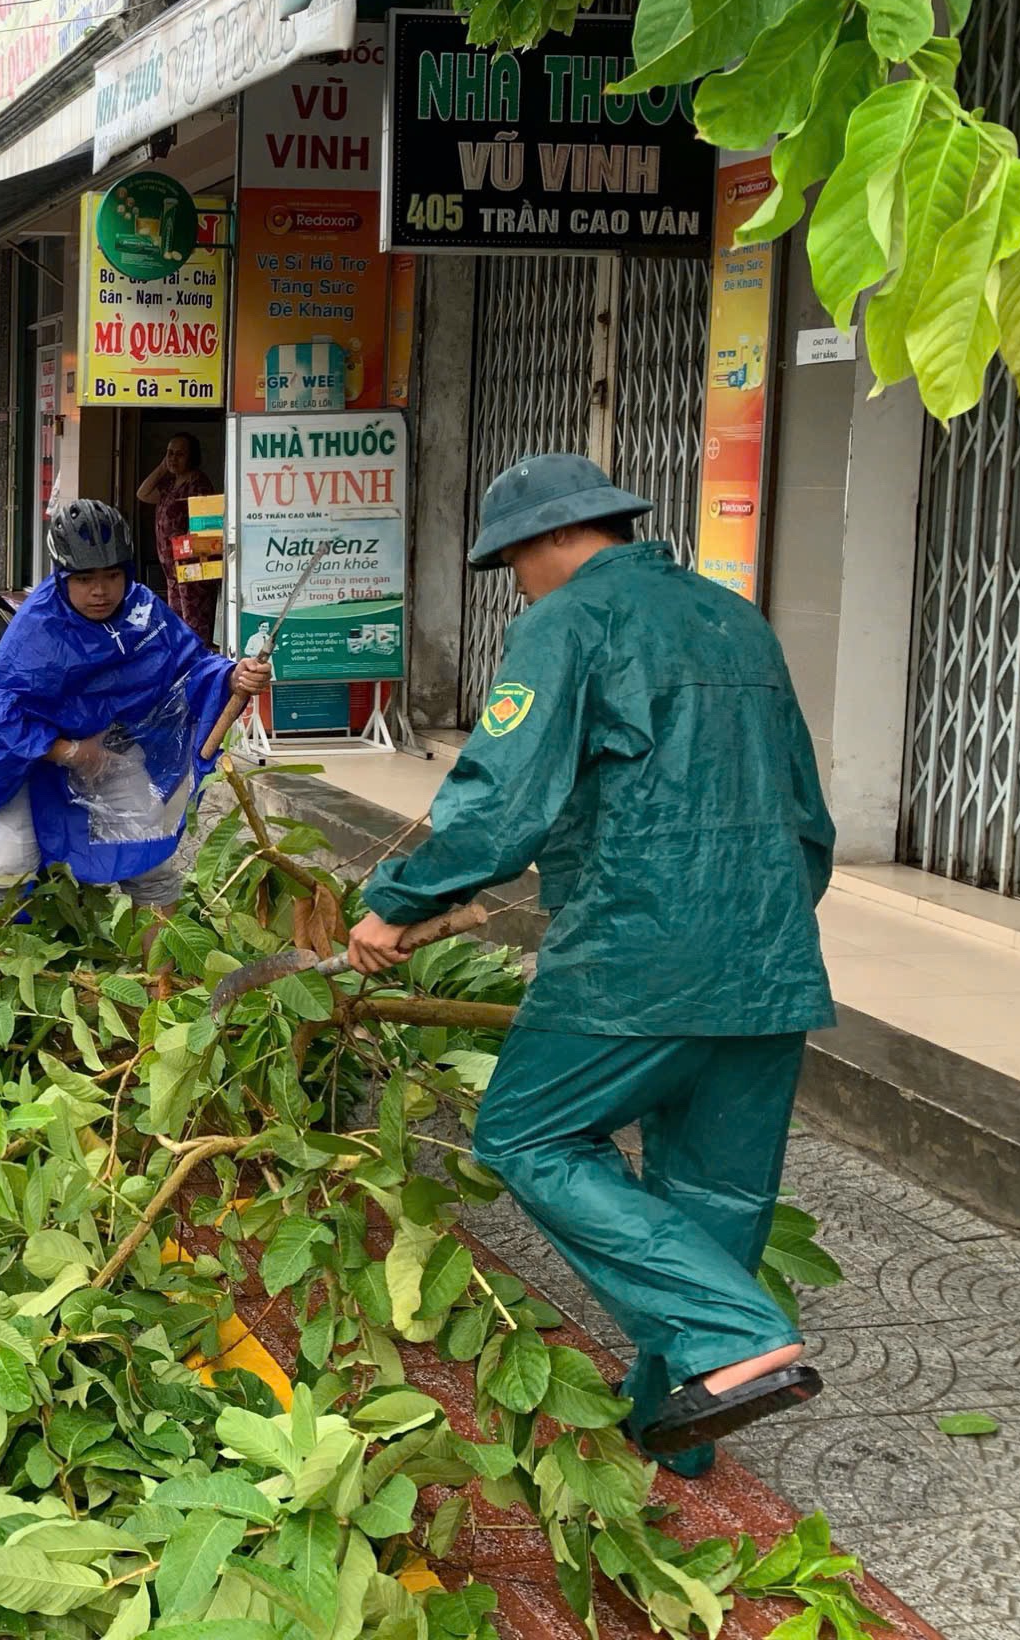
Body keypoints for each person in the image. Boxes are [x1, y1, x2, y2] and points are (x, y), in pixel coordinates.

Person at [346, 453, 835, 1465]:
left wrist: (398, 904)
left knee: (527, 1134)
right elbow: (807, 818)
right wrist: (755, 929)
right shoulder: (734, 619)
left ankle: (735, 1336)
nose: (515, 582)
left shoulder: (570, 621)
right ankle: (677, 1426)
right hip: (771, 957)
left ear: (550, 541)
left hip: (635, 956)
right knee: (713, 1197)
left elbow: (504, 793)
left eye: (512, 561)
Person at [0, 499, 269, 913]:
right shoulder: (36, 626)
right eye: (85, 578)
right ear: (62, 576)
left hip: (113, 753)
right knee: (4, 872)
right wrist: (69, 752)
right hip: (33, 762)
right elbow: (0, 713)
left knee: (153, 872)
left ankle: (167, 976)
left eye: (112, 576)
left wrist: (234, 676)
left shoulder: (144, 610)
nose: (101, 591)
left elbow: (192, 666)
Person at [134, 433, 219, 644]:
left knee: (195, 621)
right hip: (172, 571)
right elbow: (143, 494)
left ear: (192, 457)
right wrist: (163, 466)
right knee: (177, 620)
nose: (173, 458)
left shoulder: (197, 483)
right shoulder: (170, 485)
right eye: (170, 453)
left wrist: (190, 566)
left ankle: (198, 665)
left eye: (179, 454)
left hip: (192, 569)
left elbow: (205, 526)